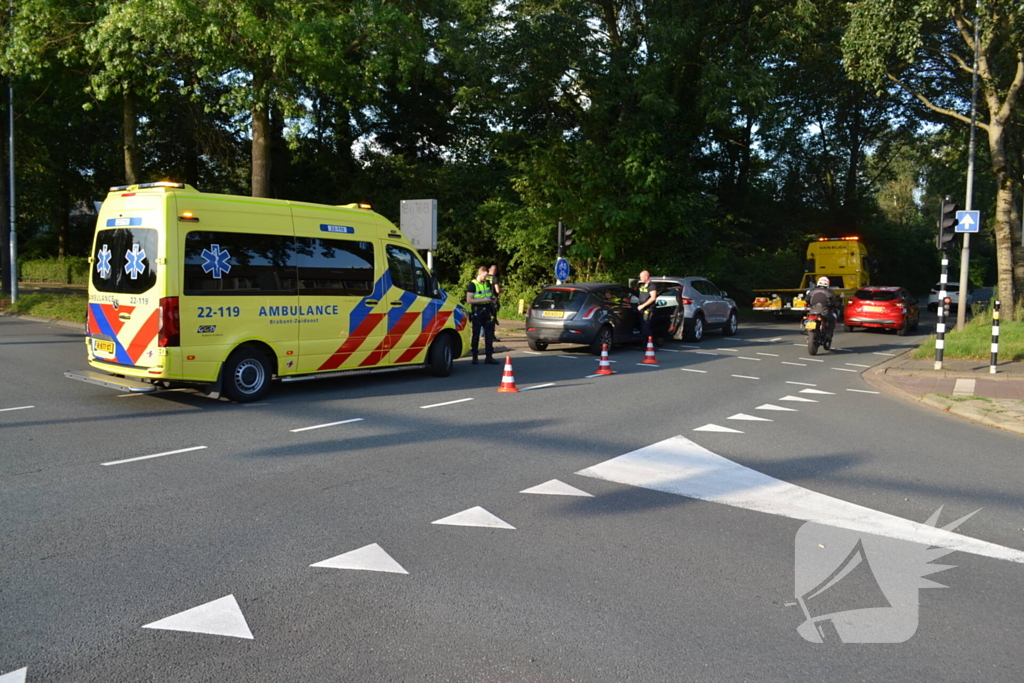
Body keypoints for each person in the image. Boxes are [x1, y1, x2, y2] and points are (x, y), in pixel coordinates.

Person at [466, 266, 499, 365]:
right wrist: (483, 300)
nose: (485, 278)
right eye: (484, 276)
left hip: (488, 310)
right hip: (478, 311)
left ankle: (489, 357)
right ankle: (474, 356)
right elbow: (469, 300)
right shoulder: (473, 285)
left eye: (486, 276)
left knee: (489, 334)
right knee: (476, 334)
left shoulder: (487, 283)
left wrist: (493, 299)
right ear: (480, 273)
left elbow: (491, 294)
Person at [636, 270, 658, 343]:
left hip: (648, 309)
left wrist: (643, 305)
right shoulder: (642, 285)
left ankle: (650, 343)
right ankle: (644, 343)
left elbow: (653, 298)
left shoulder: (652, 285)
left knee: (646, 326)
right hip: (641, 308)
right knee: (642, 326)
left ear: (646, 277)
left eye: (641, 277)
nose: (640, 278)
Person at [486, 263, 502, 341]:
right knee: (492, 318)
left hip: (484, 299)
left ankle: (483, 334)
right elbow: (497, 290)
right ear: (495, 271)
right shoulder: (495, 278)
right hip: (492, 300)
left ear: (489, 269)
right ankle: (492, 336)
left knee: (485, 317)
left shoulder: (485, 277)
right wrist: (502, 290)